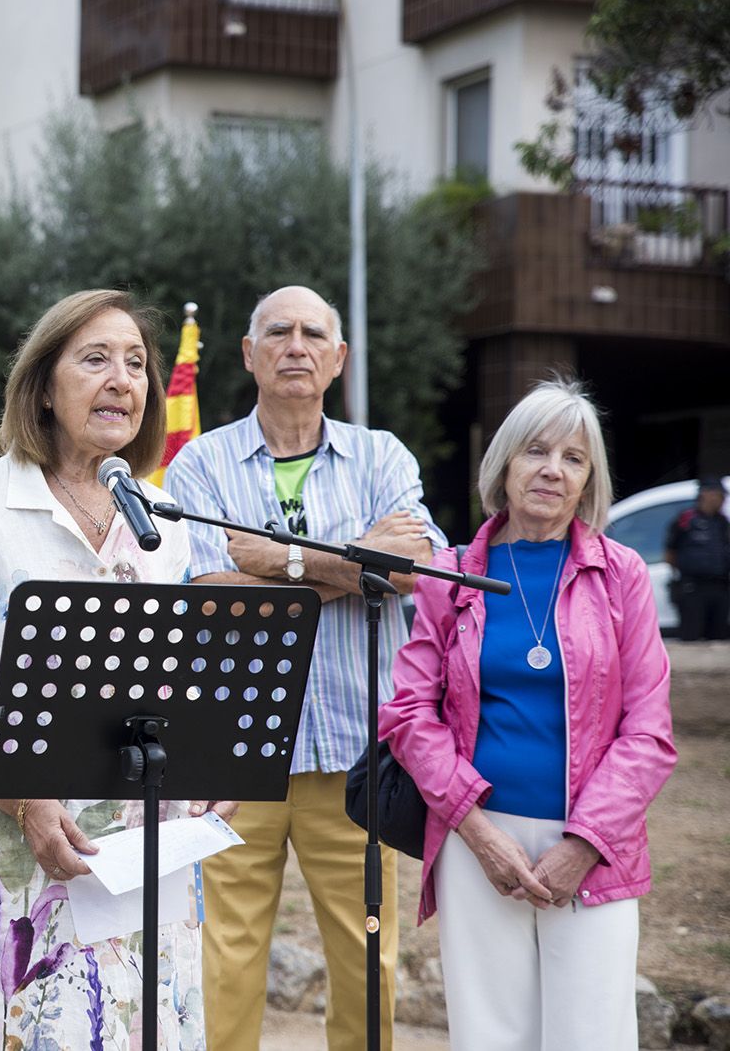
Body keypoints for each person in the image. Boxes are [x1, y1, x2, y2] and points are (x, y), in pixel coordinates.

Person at [0, 289, 223, 1050]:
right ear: (42, 387)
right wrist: (27, 800)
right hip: (18, 888)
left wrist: (210, 766)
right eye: (96, 358)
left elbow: (179, 695)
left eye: (135, 363)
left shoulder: (163, 529)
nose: (122, 379)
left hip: (145, 881)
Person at [163, 285, 443, 1051]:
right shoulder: (197, 465)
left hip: (358, 755)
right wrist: (356, 563)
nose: (296, 345)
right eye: (277, 332)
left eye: (313, 333)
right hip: (231, 758)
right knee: (223, 958)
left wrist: (278, 559)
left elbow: (418, 567)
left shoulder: (382, 455)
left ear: (338, 358)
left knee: (366, 959)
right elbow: (209, 597)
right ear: (248, 356)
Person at [381, 377, 676, 1049]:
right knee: (490, 1035)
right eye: (536, 450)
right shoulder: (449, 574)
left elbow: (650, 735)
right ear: (504, 463)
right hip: (477, 840)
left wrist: (582, 845)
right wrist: (476, 831)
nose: (552, 469)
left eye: (573, 458)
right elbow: (408, 715)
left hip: (595, 848)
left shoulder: (622, 574)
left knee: (591, 1035)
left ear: (588, 479)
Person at [665, 477, 729, 641]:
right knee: (690, 637)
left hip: (720, 587)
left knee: (719, 638)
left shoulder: (722, 522)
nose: (721, 500)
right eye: (718, 495)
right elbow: (670, 553)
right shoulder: (686, 519)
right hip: (693, 588)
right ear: (706, 494)